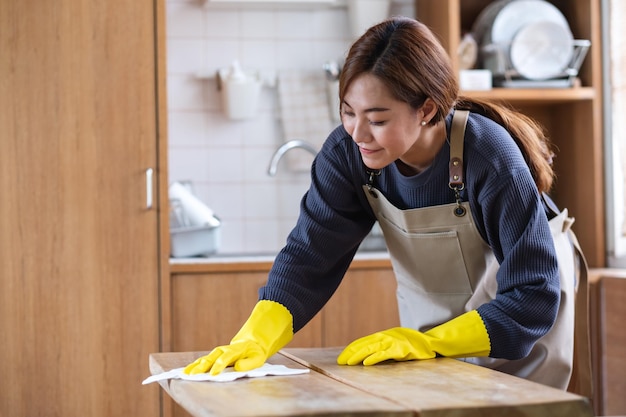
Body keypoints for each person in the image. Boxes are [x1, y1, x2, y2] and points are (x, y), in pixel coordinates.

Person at [183, 16, 576, 390]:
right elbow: (309, 256)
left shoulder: (489, 155)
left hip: (522, 316)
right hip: (438, 329)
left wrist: (430, 343)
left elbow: (533, 295)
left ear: (426, 109)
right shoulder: (347, 154)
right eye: (348, 112)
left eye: (377, 119)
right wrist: (255, 337)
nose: (357, 133)